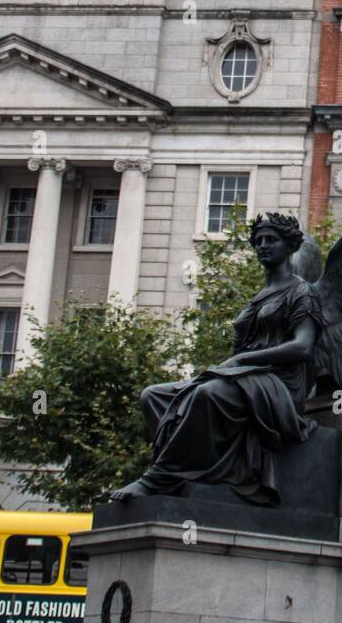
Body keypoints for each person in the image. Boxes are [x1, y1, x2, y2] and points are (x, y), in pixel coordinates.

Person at [112, 214, 318, 503]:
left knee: (207, 395)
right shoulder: (259, 297)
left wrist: (242, 362)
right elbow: (236, 353)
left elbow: (303, 347)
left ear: (290, 246)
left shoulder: (301, 291)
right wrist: (232, 365)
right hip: (244, 379)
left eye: (271, 240)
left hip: (279, 384)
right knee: (154, 396)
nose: (262, 245)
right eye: (258, 241)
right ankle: (193, 474)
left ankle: (158, 479)